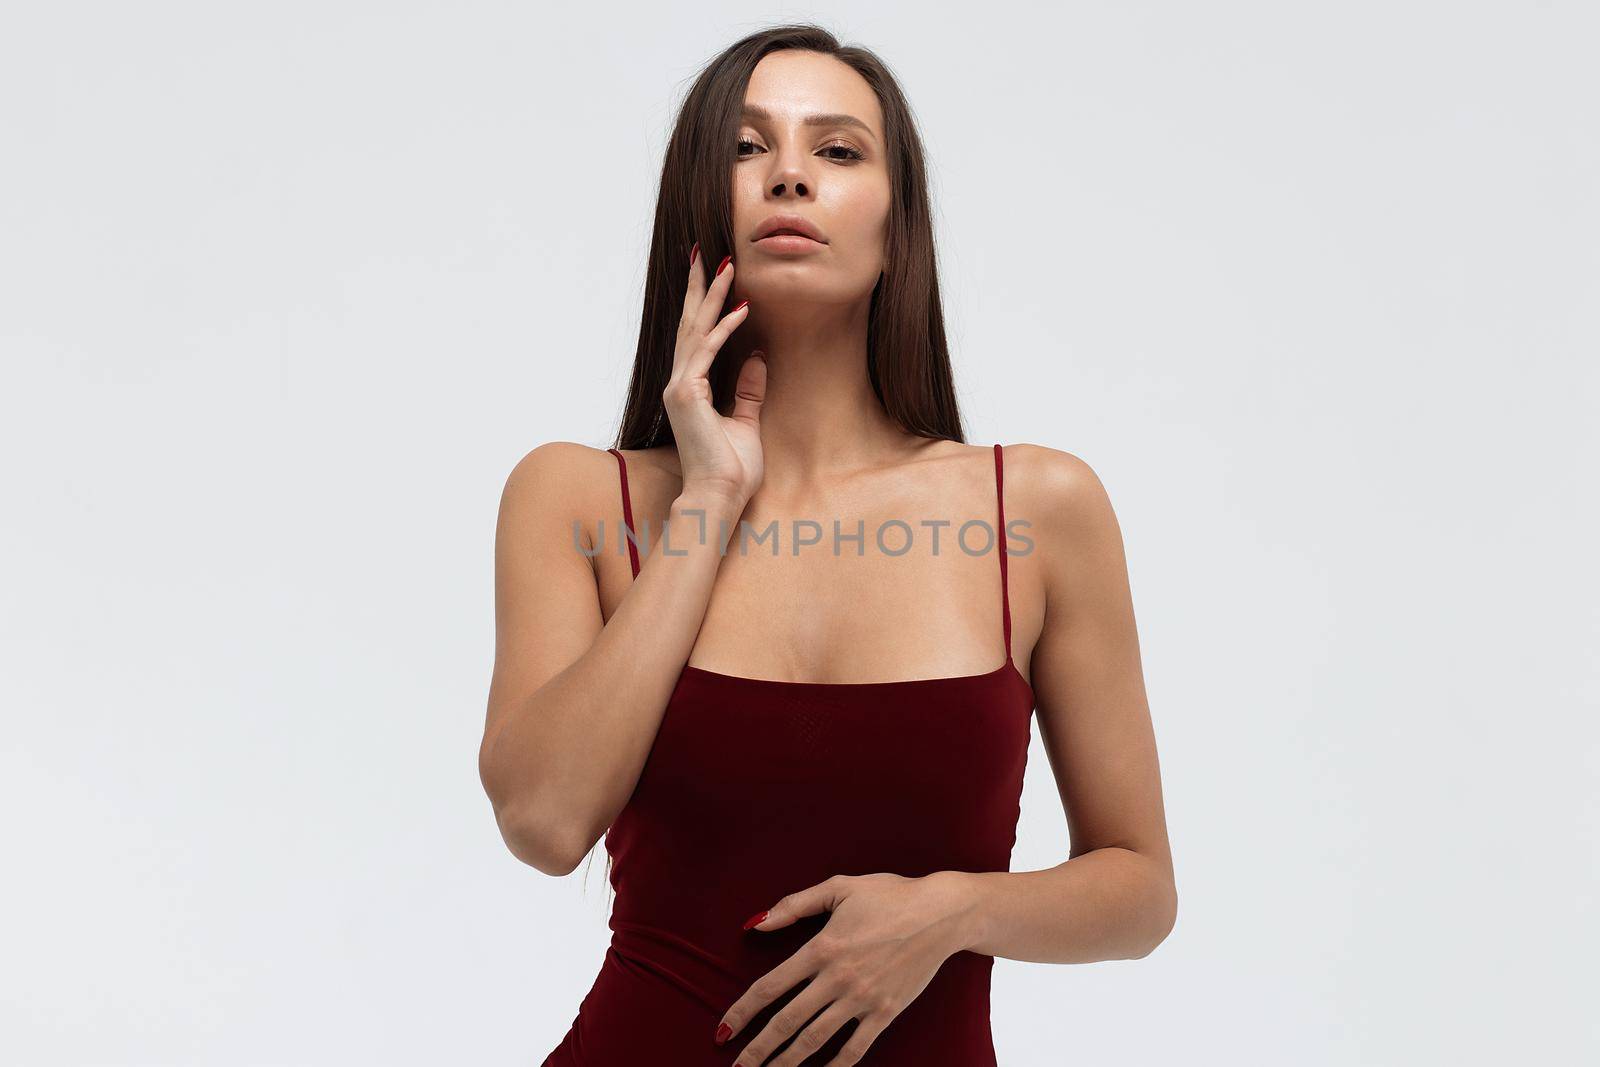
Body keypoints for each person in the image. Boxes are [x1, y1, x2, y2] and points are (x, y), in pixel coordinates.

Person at [479, 23, 1176, 1066]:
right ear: (696, 207)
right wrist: (710, 497)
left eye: (838, 151)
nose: (790, 175)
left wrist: (948, 912)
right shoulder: (579, 497)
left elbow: (1139, 887)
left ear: (899, 231)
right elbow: (542, 819)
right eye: (747, 147)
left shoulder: (1034, 508)